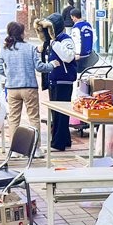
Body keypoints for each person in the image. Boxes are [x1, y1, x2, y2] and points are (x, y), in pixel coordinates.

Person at [0, 21, 59, 138]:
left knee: (13, 119)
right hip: (30, 88)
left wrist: (9, 75)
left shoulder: (4, 49)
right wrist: (52, 65)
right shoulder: (30, 48)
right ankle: (36, 149)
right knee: (34, 118)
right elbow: (40, 67)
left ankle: (14, 150)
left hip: (12, 88)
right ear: (22, 34)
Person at [34, 13, 77, 151]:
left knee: (61, 113)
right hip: (54, 80)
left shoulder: (65, 39)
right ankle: (64, 139)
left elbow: (68, 57)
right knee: (55, 113)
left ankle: (59, 143)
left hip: (64, 81)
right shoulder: (52, 41)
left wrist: (54, 42)